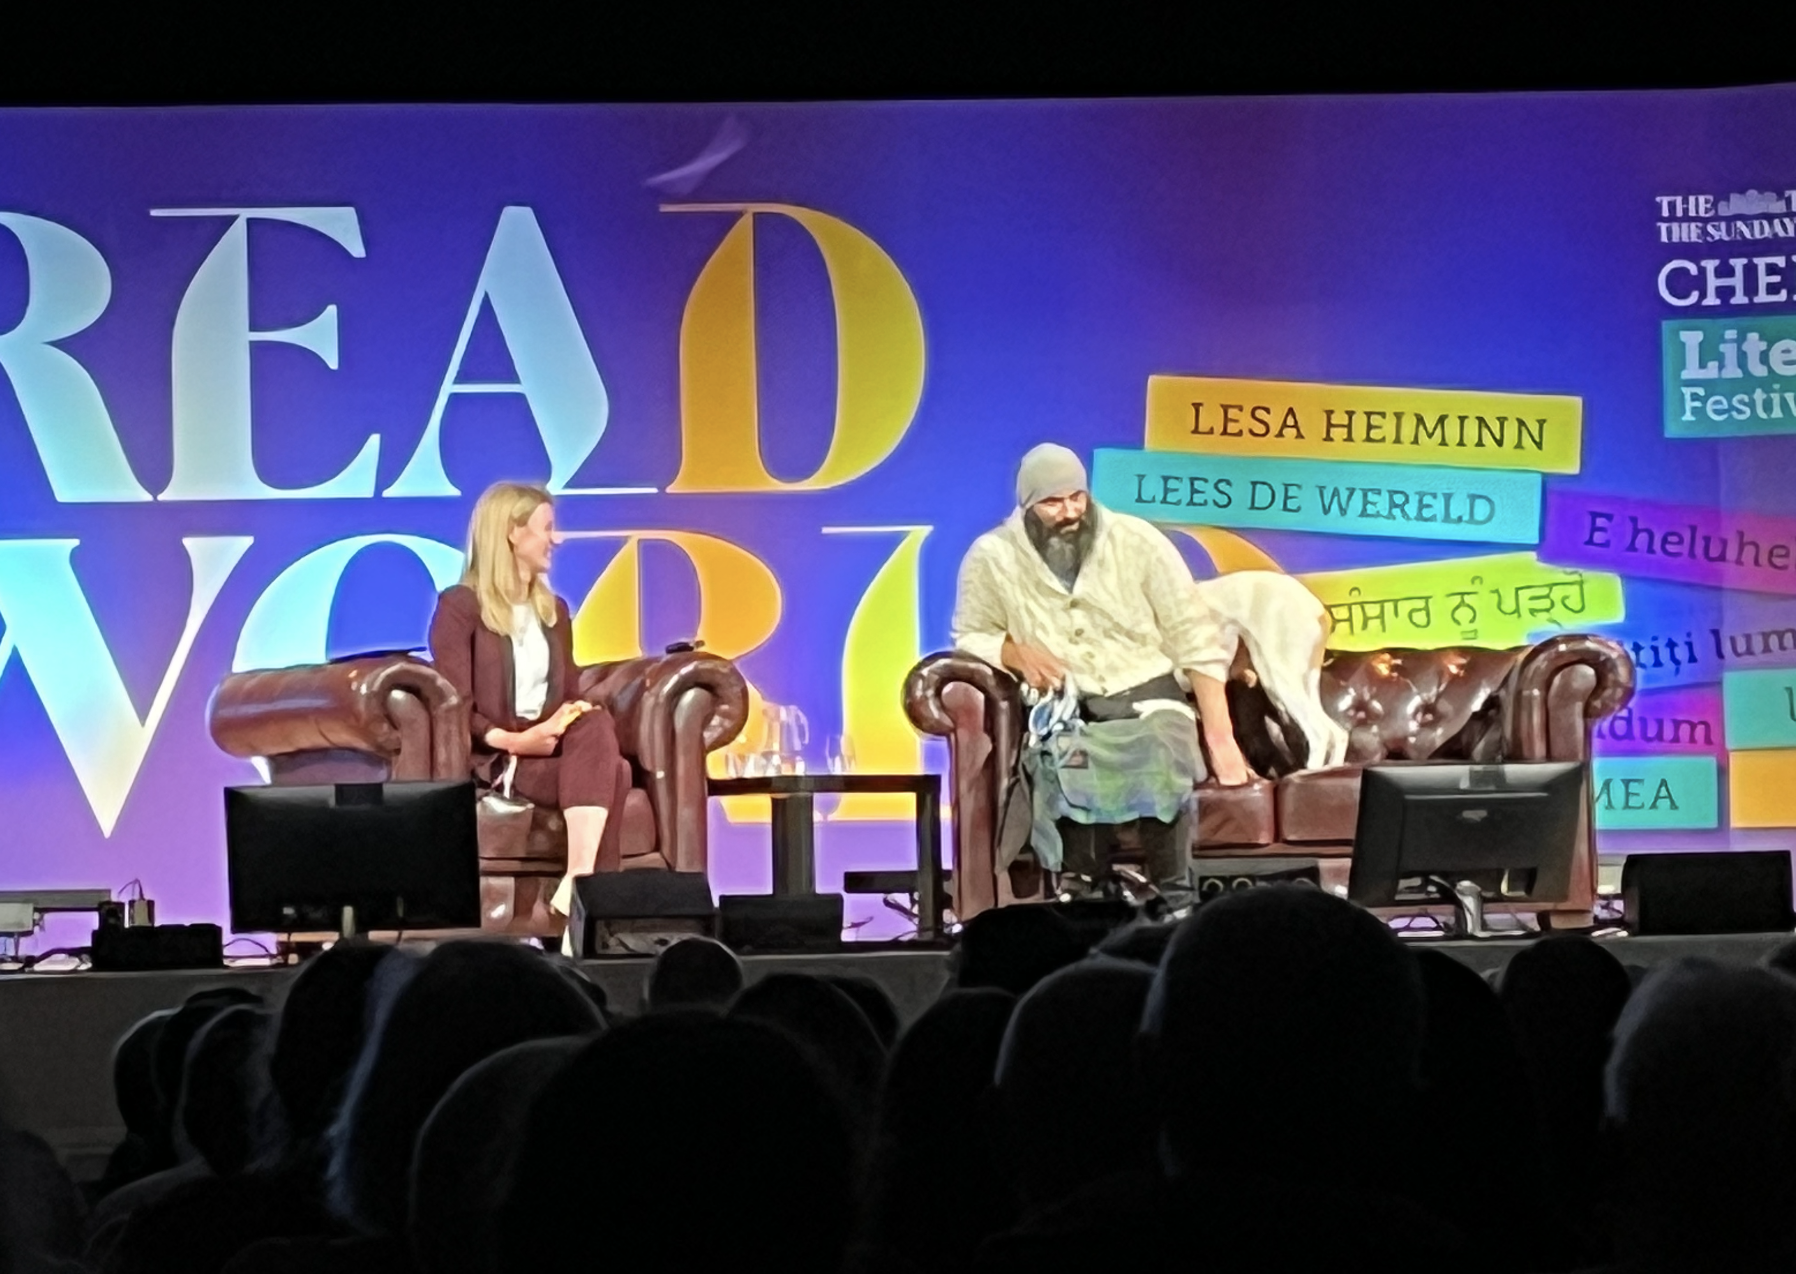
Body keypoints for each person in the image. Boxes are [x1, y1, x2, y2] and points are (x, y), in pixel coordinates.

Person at [951, 443, 1248, 898]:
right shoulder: (992, 556)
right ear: (1028, 505)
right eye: (1053, 502)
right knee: (1067, 760)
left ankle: (1176, 899)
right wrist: (1013, 651)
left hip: (1145, 693)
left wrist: (1222, 739)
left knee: (1159, 749)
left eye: (1077, 497)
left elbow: (1195, 637)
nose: (1069, 512)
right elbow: (970, 634)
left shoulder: (1138, 540)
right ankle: (1084, 897)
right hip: (1067, 705)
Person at [429, 481, 630, 937]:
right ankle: (596, 914)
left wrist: (566, 717)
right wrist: (513, 740)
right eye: (547, 528)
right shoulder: (460, 608)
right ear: (512, 533)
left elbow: (570, 690)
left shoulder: (554, 611)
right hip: (502, 755)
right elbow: (453, 704)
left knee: (596, 725)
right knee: (614, 774)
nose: (555, 540)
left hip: (553, 748)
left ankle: (579, 881)